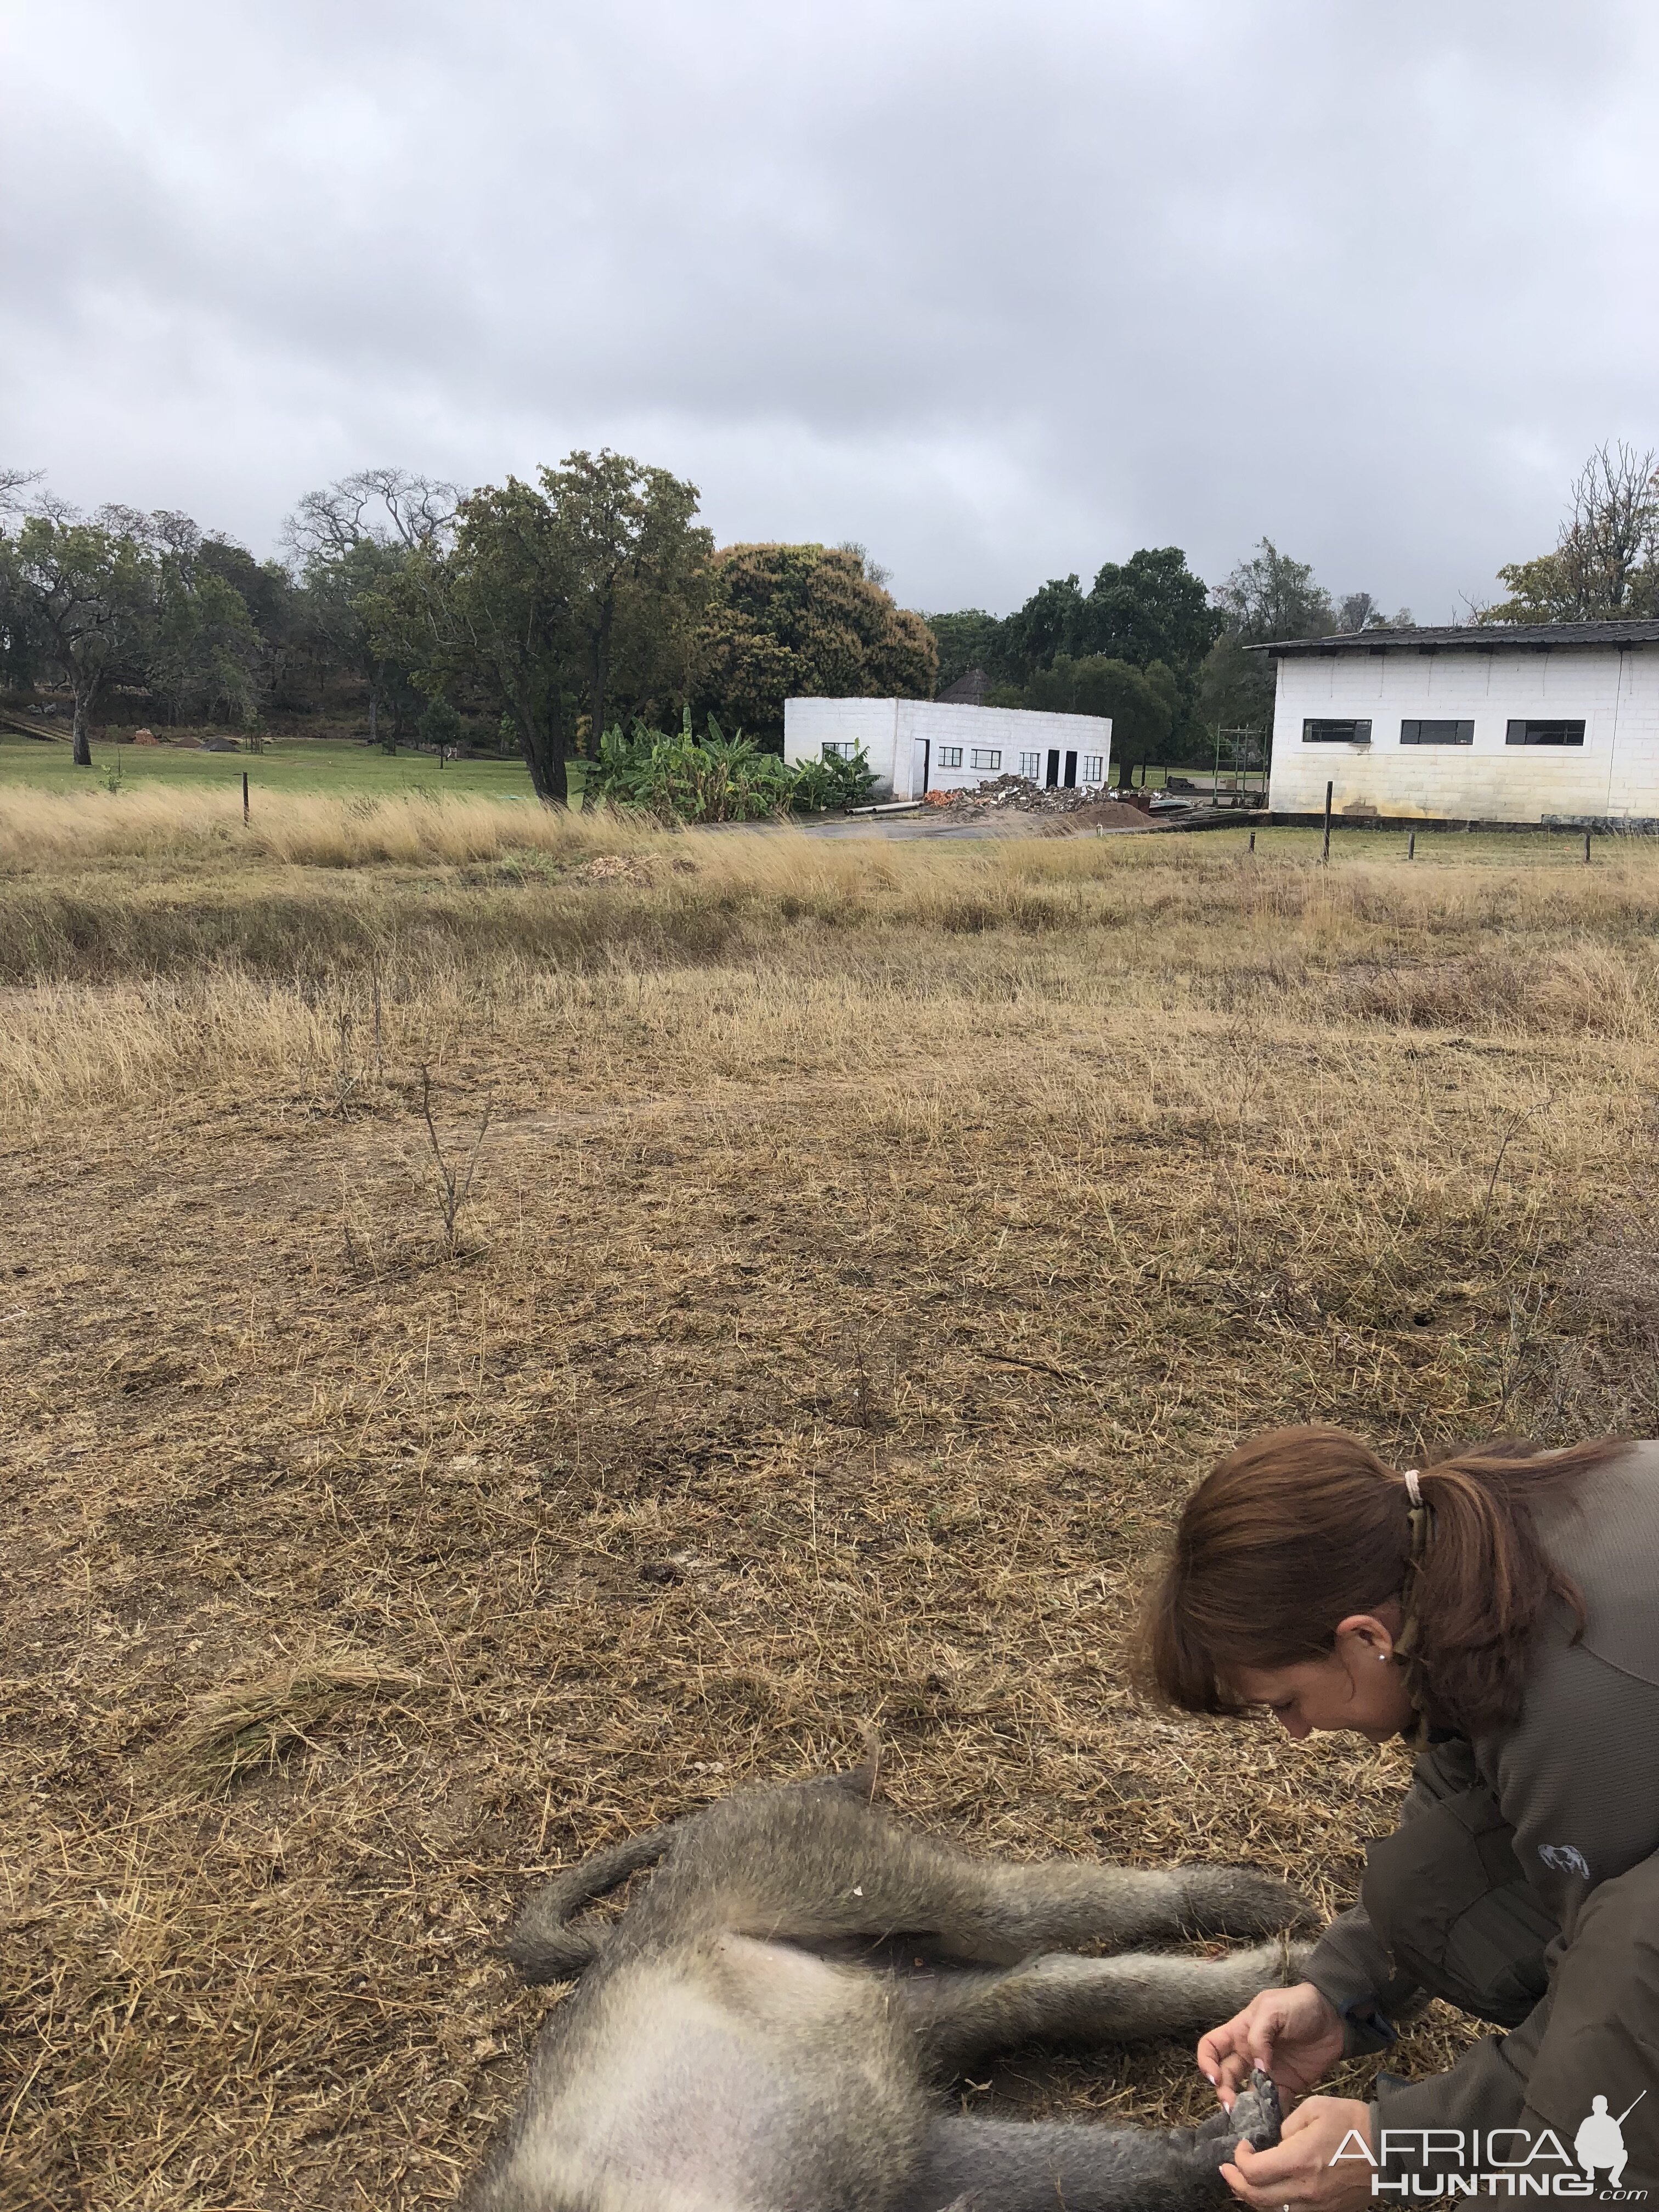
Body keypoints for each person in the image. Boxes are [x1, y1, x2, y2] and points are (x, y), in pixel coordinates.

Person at [1139, 1427, 1659, 2212]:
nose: (1295, 1733)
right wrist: (1337, 1991)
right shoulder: (1467, 1554)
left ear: (1365, 1638)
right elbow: (1460, 1790)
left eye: (1286, 1702)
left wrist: (1397, 2147)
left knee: (1575, 2170)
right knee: (1427, 1885)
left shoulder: (1586, 1697)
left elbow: (1623, 2001)